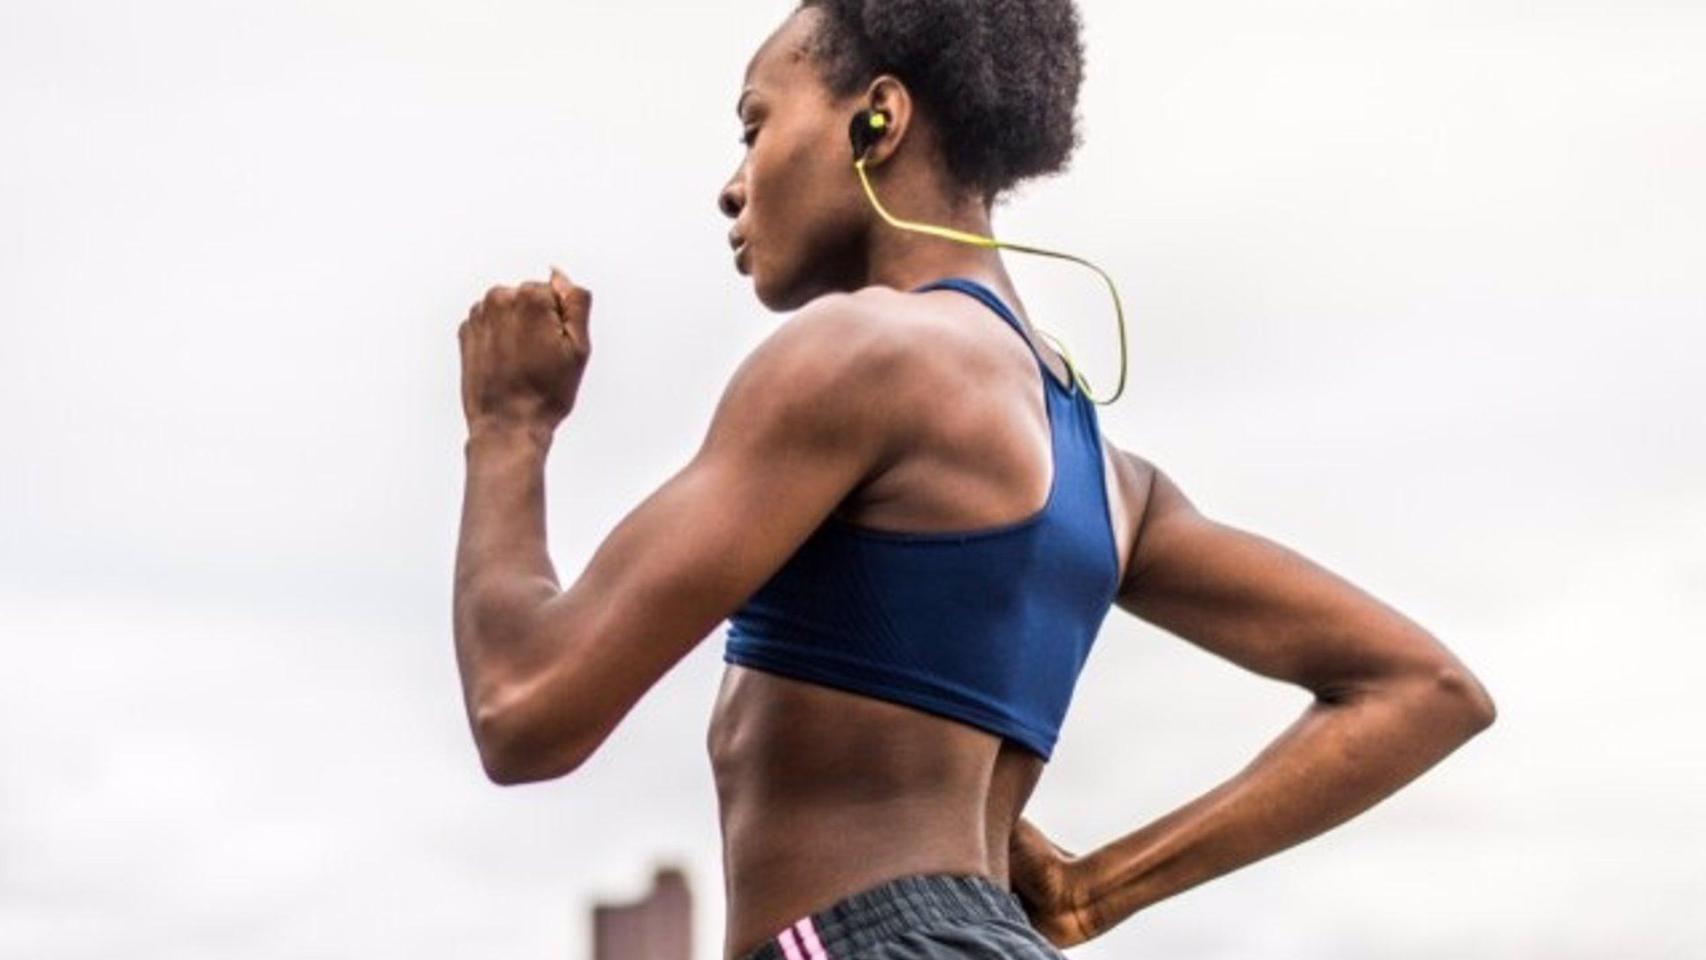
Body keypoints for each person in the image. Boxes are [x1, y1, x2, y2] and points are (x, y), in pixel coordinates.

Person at [451, 3, 1499, 958]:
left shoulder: (858, 356)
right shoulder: (1108, 480)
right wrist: (1092, 893)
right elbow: (1422, 689)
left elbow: (527, 709)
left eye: (752, 124)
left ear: (878, 122)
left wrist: (509, 425)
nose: (731, 182)